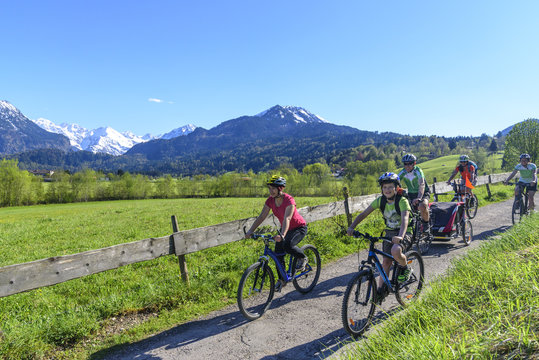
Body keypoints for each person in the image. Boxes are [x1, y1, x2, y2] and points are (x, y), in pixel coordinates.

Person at [346, 172, 412, 292]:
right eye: (385, 187)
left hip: (405, 231)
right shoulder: (380, 201)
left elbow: (405, 220)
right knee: (386, 261)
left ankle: (405, 267)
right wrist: (352, 227)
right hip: (389, 232)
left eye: (390, 187)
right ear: (382, 189)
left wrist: (401, 237)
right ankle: (381, 290)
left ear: (396, 188)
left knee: (395, 250)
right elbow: (364, 214)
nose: (387, 190)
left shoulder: (402, 201)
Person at [245, 175, 308, 292]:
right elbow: (262, 216)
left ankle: (302, 258)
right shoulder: (270, 200)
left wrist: (282, 235)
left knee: (288, 245)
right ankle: (282, 280)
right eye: (269, 188)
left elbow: (287, 218)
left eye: (273, 188)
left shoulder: (289, 200)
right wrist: (251, 230)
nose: (271, 191)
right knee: (278, 254)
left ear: (280, 188)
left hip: (299, 228)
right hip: (285, 229)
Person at [398, 153, 430, 231]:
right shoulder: (403, 172)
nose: (407, 166)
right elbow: (395, 182)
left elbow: (422, 184)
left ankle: (426, 224)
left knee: (422, 206)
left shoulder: (418, 171)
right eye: (405, 164)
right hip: (411, 194)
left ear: (414, 163)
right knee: (403, 208)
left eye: (410, 164)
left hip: (423, 192)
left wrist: (419, 197)